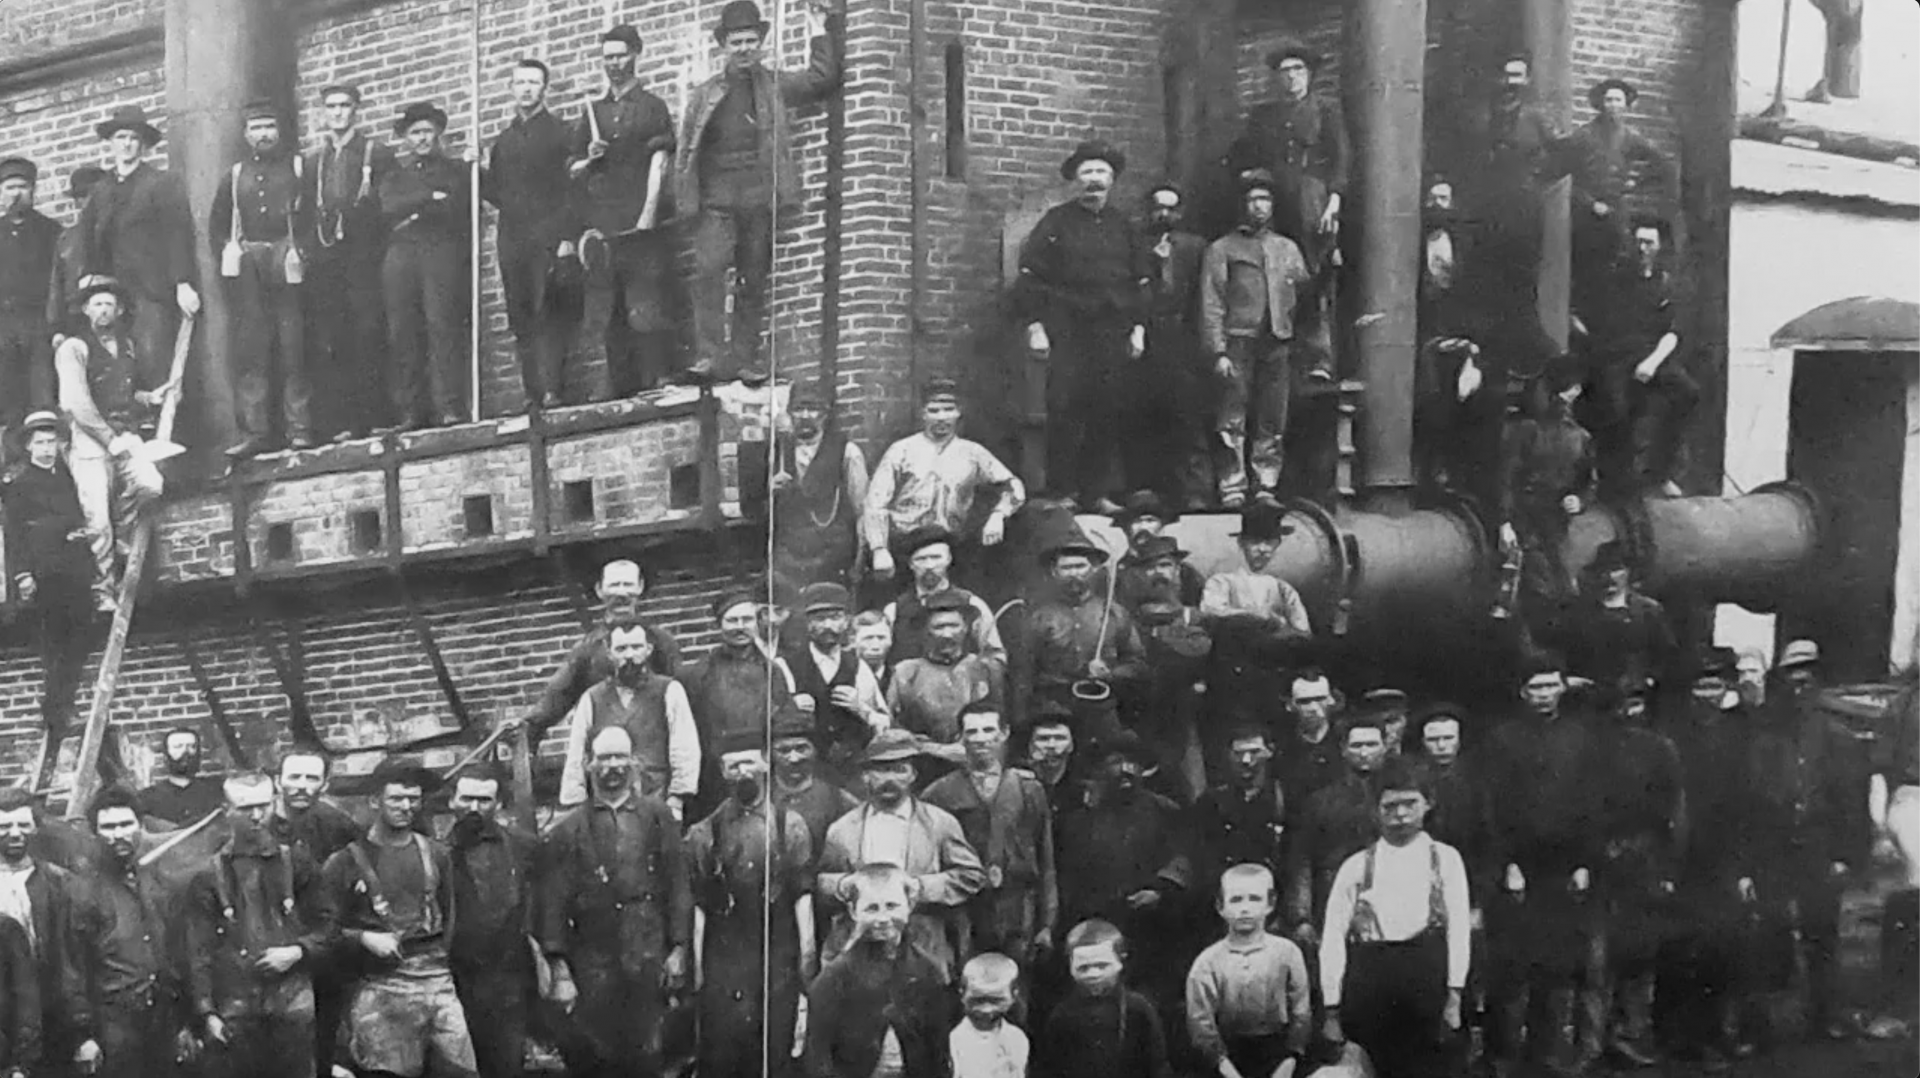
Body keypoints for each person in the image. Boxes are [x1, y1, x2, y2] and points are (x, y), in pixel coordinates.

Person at [679, 0, 844, 383]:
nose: (744, 49)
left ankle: (744, 359)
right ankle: (709, 356)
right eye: (736, 42)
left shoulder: (774, 86)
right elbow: (686, 150)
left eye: (751, 41)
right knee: (709, 271)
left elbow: (820, 78)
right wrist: (689, 201)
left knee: (753, 279)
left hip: (758, 199)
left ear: (761, 44)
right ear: (723, 45)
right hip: (716, 201)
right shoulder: (704, 95)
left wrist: (818, 27)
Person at [536, 725, 691, 1078]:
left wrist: (679, 948)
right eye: (604, 758)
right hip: (594, 959)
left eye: (620, 756)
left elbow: (678, 885)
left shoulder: (657, 817)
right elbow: (554, 903)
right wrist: (560, 970)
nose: (613, 766)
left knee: (650, 1050)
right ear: (590, 765)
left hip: (648, 950)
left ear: (634, 763)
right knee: (598, 1052)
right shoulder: (569, 829)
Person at [1482, 653, 1610, 1077]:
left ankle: (1547, 1054)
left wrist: (1584, 863)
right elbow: (1493, 810)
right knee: (1511, 968)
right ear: (1523, 692)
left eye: (1550, 686)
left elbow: (1592, 805)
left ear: (1562, 688)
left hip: (1563, 868)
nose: (1543, 695)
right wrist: (1509, 865)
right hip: (1518, 870)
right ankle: (1503, 1056)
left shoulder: (1581, 738)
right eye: (1535, 687)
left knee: (1556, 967)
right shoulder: (1503, 739)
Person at [1013, 140, 1150, 513]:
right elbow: (1029, 277)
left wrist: (1137, 328)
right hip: (1068, 327)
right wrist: (1035, 325)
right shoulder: (1056, 222)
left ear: (1112, 180)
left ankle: (1099, 492)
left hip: (1111, 329)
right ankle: (1063, 491)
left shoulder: (1124, 226)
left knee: (1107, 409)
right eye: (1087, 172)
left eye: (1101, 173)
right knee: (1065, 406)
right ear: (1075, 180)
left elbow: (1141, 280)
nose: (1094, 180)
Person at [316, 761, 476, 1078]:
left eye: (413, 799)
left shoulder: (437, 854)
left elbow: (452, 917)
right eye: (396, 799)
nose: (406, 807)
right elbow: (321, 931)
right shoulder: (343, 862)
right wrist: (363, 938)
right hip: (380, 986)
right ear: (375, 801)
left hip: (437, 983)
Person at [1745, 639, 1870, 1042]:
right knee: (1770, 934)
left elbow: (1852, 801)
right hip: (1774, 847)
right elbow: (1750, 796)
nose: (1799, 688)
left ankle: (1824, 1016)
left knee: (1822, 935)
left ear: (1817, 682)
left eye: (1806, 680)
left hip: (1820, 845)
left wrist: (1846, 856)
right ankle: (1765, 1025)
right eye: (1791, 681)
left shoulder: (1838, 737)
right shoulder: (1765, 736)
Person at [1320, 757, 1472, 1078]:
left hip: (1427, 980)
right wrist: (1332, 1009)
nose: (1400, 815)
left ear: (1428, 803)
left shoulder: (1445, 859)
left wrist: (1454, 995)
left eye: (1409, 804)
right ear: (1374, 809)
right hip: (1373, 983)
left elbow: (1459, 928)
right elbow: (1333, 938)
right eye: (1390, 806)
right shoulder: (1356, 866)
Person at [687, 731, 815, 1078]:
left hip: (778, 949)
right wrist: (697, 967)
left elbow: (802, 895)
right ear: (722, 772)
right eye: (733, 765)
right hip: (726, 953)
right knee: (724, 1049)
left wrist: (806, 956)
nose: (742, 772)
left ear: (764, 764)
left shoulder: (789, 825)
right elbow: (698, 905)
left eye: (748, 762)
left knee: (776, 1047)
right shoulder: (704, 833)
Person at [816, 728, 986, 978]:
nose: (889, 779)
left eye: (899, 770)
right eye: (881, 770)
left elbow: (972, 876)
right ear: (865, 775)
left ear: (913, 775)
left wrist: (920, 886)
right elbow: (821, 881)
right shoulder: (842, 829)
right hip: (860, 948)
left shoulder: (939, 823)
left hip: (923, 948)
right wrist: (845, 884)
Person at [184, 772, 323, 1078]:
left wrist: (299, 951)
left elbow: (330, 925)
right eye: (246, 808)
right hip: (236, 1007)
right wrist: (206, 1012)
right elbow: (198, 950)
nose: (257, 817)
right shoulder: (207, 876)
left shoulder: (297, 862)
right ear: (227, 811)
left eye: (264, 805)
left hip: (293, 1004)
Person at [1659, 649, 1759, 1069]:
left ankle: (1722, 1033)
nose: (1708, 693)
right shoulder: (1674, 735)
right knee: (1687, 952)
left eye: (1715, 684)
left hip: (1727, 857)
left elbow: (1749, 802)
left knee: (1727, 949)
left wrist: (1743, 866)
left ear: (1727, 688)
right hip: (1685, 856)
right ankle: (1689, 1040)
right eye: (1701, 685)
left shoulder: (1740, 733)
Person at [570, 26, 679, 395]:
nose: (614, 64)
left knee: (646, 297)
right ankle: (618, 384)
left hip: (642, 218)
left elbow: (661, 159)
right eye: (608, 57)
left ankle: (657, 376)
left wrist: (648, 212)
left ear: (636, 55)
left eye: (620, 55)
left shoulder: (652, 107)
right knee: (609, 302)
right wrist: (589, 157)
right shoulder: (593, 113)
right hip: (605, 220)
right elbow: (572, 170)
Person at [1053, 731, 1192, 1010]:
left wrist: (1159, 890)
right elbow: (1066, 873)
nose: (1125, 771)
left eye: (1132, 763)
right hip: (1097, 924)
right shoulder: (1079, 821)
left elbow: (1184, 856)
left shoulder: (1166, 810)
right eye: (1115, 763)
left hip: (1153, 927)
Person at [1200, 169, 1312, 508]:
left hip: (1278, 341)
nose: (1258, 207)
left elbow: (1306, 299)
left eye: (1264, 199)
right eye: (1252, 200)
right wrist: (1218, 350)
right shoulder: (1222, 248)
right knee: (1231, 416)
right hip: (1238, 341)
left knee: (1271, 417)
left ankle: (1266, 484)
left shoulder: (1287, 249)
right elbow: (1212, 301)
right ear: (1242, 205)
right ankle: (1232, 484)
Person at [53, 275, 165, 612]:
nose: (104, 311)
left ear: (118, 311)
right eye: (97, 304)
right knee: (96, 518)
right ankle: (102, 587)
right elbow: (76, 404)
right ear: (86, 309)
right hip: (87, 440)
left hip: (120, 432)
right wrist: (108, 440)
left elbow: (125, 394)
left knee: (150, 484)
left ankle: (122, 534)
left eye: (110, 305)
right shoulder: (74, 348)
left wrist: (149, 398)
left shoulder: (126, 346)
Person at [210, 98, 313, 458]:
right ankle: (256, 431)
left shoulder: (299, 168)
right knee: (252, 351)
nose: (263, 134)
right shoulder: (235, 177)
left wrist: (301, 253)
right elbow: (217, 228)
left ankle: (300, 428)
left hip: (288, 264)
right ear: (245, 135)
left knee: (294, 347)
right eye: (256, 128)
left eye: (269, 127)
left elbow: (316, 219)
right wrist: (232, 252)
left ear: (279, 131)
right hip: (251, 269)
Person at [74, 104, 201, 393]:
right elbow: (87, 236)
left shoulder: (161, 183)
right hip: (114, 290)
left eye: (132, 138)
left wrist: (183, 283)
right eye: (121, 137)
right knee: (119, 362)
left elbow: (178, 234)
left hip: (151, 290)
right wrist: (89, 276)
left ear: (142, 144)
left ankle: (165, 430)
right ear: (111, 143)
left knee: (153, 357)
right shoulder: (101, 190)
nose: (127, 144)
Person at [922, 701, 1059, 966]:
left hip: (1018, 909)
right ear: (961, 736)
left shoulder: (1028, 789)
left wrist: (1047, 923)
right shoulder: (939, 794)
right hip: (965, 911)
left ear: (1004, 733)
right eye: (972, 732)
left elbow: (1046, 859)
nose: (980, 739)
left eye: (988, 730)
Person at [1593, 676, 1684, 1068]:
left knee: (1641, 953)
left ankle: (1632, 1032)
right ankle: (1596, 1039)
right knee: (1599, 959)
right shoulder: (1594, 752)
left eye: (1635, 702)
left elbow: (1675, 812)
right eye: (1621, 703)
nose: (1628, 711)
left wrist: (1667, 867)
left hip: (1646, 859)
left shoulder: (1661, 749)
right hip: (1601, 862)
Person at [74, 785, 190, 1078]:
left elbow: (182, 954)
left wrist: (188, 1021)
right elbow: (73, 969)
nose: (118, 834)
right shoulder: (81, 891)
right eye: (108, 827)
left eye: (126, 824)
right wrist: (83, 1035)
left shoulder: (161, 883)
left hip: (164, 1016)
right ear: (95, 833)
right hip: (113, 1022)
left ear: (140, 826)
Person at [483, 57, 579, 410]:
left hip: (547, 233)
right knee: (520, 313)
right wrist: (476, 172)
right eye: (520, 82)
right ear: (511, 88)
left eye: (533, 82)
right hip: (513, 236)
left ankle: (553, 387)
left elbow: (572, 188)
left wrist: (566, 236)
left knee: (548, 310)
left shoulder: (560, 132)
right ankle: (532, 392)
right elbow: (496, 192)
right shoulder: (504, 141)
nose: (526, 89)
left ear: (544, 88)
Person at [804, 864, 956, 1078]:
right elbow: (818, 1060)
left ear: (910, 905)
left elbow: (938, 1058)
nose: (883, 918)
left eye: (892, 906)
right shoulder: (833, 979)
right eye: (872, 908)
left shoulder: (928, 972)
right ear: (853, 911)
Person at [1581, 215, 1697, 495]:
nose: (1641, 248)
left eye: (1648, 243)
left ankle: (1660, 472)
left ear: (1659, 247)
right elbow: (1592, 320)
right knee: (1617, 407)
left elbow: (1673, 331)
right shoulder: (1615, 280)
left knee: (1687, 392)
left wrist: (1652, 362)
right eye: (1638, 242)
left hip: (1651, 356)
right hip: (1616, 356)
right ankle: (1614, 479)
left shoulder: (1666, 284)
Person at [866, 380, 1025, 581]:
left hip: (952, 545)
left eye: (948, 410)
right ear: (923, 414)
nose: (942, 417)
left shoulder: (972, 453)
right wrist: (879, 548)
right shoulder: (901, 450)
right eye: (934, 410)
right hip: (905, 546)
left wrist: (998, 515)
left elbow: (1012, 486)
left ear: (958, 413)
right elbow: (876, 502)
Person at [304, 83, 393, 441]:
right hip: (328, 259)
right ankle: (343, 421)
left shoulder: (376, 153)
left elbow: (389, 205)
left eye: (344, 106)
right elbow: (306, 211)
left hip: (364, 256)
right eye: (331, 107)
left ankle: (374, 416)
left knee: (369, 333)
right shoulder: (314, 161)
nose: (338, 112)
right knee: (334, 338)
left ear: (356, 110)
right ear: (323, 113)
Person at [378, 101, 471, 432]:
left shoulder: (457, 170)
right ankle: (411, 412)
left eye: (427, 132)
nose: (422, 139)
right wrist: (429, 199)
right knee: (403, 331)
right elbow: (389, 206)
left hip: (440, 252)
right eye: (415, 133)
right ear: (405, 138)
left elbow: (459, 208)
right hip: (401, 255)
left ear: (438, 134)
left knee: (441, 324)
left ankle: (449, 406)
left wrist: (422, 206)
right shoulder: (396, 176)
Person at [514, 557, 682, 741]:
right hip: (604, 751)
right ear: (599, 590)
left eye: (628, 584)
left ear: (640, 587)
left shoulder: (662, 643)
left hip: (654, 748)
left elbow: (681, 699)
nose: (621, 593)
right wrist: (525, 726)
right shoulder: (587, 650)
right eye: (614, 585)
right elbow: (556, 699)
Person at [1548, 78, 1675, 320]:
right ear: (1600, 104)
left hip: (1616, 214)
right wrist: (1589, 203)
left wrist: (1635, 184)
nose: (1613, 105)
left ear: (1626, 105)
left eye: (1618, 100)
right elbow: (1562, 177)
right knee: (1583, 267)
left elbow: (1663, 164)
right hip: (1585, 216)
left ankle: (1607, 320)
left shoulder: (1631, 137)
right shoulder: (1583, 136)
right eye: (1608, 100)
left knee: (1616, 265)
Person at [266, 748, 358, 1078]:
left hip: (325, 947)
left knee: (327, 1035)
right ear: (278, 781)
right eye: (294, 777)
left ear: (325, 783)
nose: (302, 786)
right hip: (272, 950)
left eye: (311, 778)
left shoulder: (338, 825)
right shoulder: (257, 823)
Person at [3, 410, 95, 737]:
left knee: (82, 635)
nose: (46, 448)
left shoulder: (64, 475)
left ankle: (63, 705)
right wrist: (23, 574)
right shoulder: (18, 484)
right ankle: (55, 713)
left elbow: (75, 515)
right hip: (46, 572)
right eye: (39, 443)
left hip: (74, 570)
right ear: (28, 447)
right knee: (55, 642)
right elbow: (15, 534)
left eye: (50, 441)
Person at [555, 611, 700, 814]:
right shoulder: (592, 697)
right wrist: (575, 803)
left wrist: (677, 798)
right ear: (609, 652)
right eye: (621, 649)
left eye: (636, 647)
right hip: (606, 804)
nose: (629, 655)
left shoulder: (669, 690)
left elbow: (685, 748)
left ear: (649, 649)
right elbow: (576, 755)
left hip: (657, 802)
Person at [1012, 524, 1147, 739]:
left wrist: (1111, 673)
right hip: (1053, 711)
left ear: (1093, 569)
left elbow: (1137, 663)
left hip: (1102, 709)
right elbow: (1024, 675)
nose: (1074, 574)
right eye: (1066, 568)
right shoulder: (1038, 617)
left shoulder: (1113, 612)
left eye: (1080, 566)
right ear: (1054, 572)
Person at [445, 772, 536, 1078]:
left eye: (484, 800)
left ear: (498, 805)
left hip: (508, 979)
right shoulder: (436, 851)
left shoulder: (524, 848)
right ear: (452, 802)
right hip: (453, 979)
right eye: (466, 798)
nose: (474, 807)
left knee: (506, 1065)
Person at [1186, 864, 1312, 1078]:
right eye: (1236, 900)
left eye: (1254, 899)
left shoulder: (1287, 953)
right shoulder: (1207, 962)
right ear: (1220, 906)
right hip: (1227, 1059)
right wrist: (1224, 1067)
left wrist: (1290, 1059)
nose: (1245, 909)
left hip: (1279, 1056)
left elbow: (1301, 1012)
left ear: (1270, 903)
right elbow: (1201, 1024)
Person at [1496, 363, 1595, 625]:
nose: (1564, 400)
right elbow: (1507, 477)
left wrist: (1579, 500)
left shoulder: (1579, 437)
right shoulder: (1526, 431)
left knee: (1564, 587)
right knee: (1531, 587)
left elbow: (1587, 480)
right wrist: (1505, 521)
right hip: (1524, 520)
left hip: (1556, 523)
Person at [1285, 714, 1388, 958]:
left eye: (1371, 745)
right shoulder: (1319, 801)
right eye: (1357, 745)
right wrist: (1302, 918)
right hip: (1333, 902)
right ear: (1343, 750)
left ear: (1385, 746)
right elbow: (1302, 860)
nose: (1364, 753)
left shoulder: (1402, 799)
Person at [682, 592, 799, 805]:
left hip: (763, 770)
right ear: (720, 625)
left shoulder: (772, 671)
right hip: (716, 775)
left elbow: (783, 722)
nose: (740, 627)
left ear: (756, 623)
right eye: (732, 621)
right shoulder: (699, 674)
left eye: (746, 620)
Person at [0, 787, 88, 1070]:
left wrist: (82, 1031)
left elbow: (74, 958)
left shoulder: (60, 883)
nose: (14, 833)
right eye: (3, 826)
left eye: (23, 824)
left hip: (53, 1014)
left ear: (36, 828)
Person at [1135, 184, 1210, 503]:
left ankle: (1194, 491)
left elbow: (1205, 296)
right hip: (1147, 340)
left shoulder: (1196, 247)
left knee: (1188, 418)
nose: (1164, 214)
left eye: (1170, 208)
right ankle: (1150, 489)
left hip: (1184, 341)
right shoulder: (1137, 245)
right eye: (1158, 207)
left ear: (1180, 212)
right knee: (1146, 416)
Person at [1034, 920, 1174, 1078]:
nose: (1093, 974)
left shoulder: (1139, 1009)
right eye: (1084, 968)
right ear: (1070, 967)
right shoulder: (1062, 1015)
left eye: (1102, 966)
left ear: (1120, 962)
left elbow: (1158, 1066)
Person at [770, 382, 870, 591]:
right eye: (798, 409)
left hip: (833, 557)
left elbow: (862, 511)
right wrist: (770, 491)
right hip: (788, 560)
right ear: (789, 413)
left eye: (813, 409)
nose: (805, 415)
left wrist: (859, 561)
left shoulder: (847, 452)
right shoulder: (776, 454)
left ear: (825, 414)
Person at [788, 581, 891, 777]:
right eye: (819, 619)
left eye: (835, 618)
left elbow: (885, 722)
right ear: (807, 623)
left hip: (853, 768)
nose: (828, 626)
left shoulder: (858, 666)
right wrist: (790, 708)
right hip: (806, 770)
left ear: (846, 621)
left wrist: (861, 708)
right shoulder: (786, 666)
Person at [889, 593, 1003, 766]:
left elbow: (1002, 721)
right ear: (926, 631)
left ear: (966, 628)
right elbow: (891, 729)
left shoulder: (985, 669)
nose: (947, 634)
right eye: (939, 627)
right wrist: (937, 750)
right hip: (923, 765)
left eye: (954, 626)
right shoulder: (906, 673)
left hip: (977, 763)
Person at [1189, 727, 1292, 918]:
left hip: (1275, 901)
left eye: (1254, 752)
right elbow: (1201, 856)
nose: (1246, 761)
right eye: (1238, 754)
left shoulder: (1287, 799)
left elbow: (1295, 859)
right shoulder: (1211, 802)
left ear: (1269, 752)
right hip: (1224, 902)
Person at [1566, 540, 1679, 704]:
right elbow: (1570, 652)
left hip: (1639, 695)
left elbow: (1667, 652)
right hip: (1593, 696)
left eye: (1616, 570)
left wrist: (1651, 678)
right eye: (1603, 571)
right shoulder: (1581, 612)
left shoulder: (1648, 610)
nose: (1609, 578)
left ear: (1629, 572)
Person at [882, 526, 1006, 671]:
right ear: (911, 564)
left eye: (936, 558)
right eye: (921, 559)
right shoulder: (895, 610)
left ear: (948, 559)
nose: (929, 566)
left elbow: (995, 656)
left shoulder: (971, 605)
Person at [0, 157, 60, 431]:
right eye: (10, 187)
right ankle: (12, 464)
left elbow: (58, 283)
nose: (16, 193)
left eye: (22, 186)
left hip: (39, 324)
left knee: (42, 394)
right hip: (3, 325)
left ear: (33, 190)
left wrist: (55, 326)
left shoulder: (51, 232)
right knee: (8, 396)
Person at [771, 704, 862, 866]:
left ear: (815, 750)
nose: (794, 758)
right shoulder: (762, 798)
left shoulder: (840, 802)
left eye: (801, 748)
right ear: (770, 754)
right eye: (783, 750)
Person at [1109, 491, 1205, 611]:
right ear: (1126, 528)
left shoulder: (1184, 573)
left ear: (1162, 525)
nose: (1143, 527)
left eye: (1150, 520)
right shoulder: (1114, 574)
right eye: (1137, 521)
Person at [950, 952, 1029, 1078]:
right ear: (962, 993)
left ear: (1014, 995)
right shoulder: (953, 1041)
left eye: (996, 1000)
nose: (986, 1010)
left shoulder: (1017, 1039)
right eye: (978, 1000)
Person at [135, 727, 224, 826]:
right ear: (166, 755)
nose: (185, 751)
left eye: (192, 746)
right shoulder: (148, 797)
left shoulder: (215, 791)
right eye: (178, 746)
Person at [1278, 671, 1343, 800]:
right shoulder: (1282, 749)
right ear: (1290, 705)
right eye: (1304, 701)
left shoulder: (1344, 741)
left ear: (1331, 700)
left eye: (1320, 699)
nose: (1313, 707)